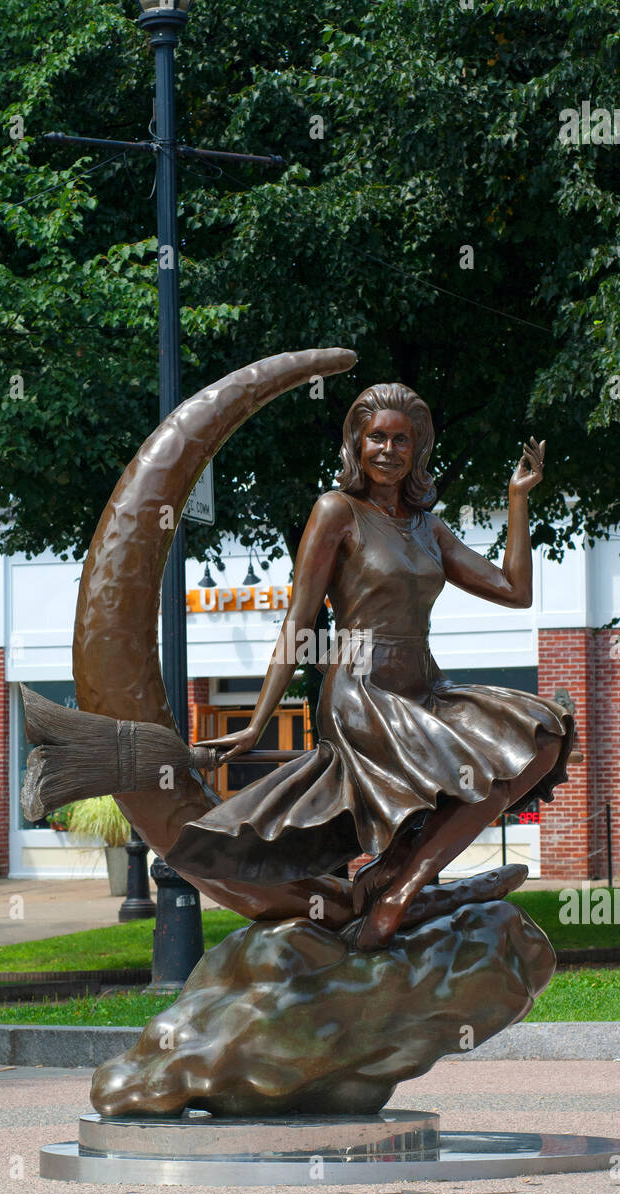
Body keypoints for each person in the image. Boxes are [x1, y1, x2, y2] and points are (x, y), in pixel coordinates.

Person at [170, 383, 574, 950]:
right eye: (376, 437)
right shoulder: (338, 511)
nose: (388, 449)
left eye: (401, 439)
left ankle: (400, 883)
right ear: (356, 445)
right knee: (470, 771)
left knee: (540, 739)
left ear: (418, 449)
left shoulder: (428, 528)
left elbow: (515, 591)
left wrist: (517, 498)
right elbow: (299, 619)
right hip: (361, 689)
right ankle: (398, 884)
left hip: (423, 685)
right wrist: (261, 718)